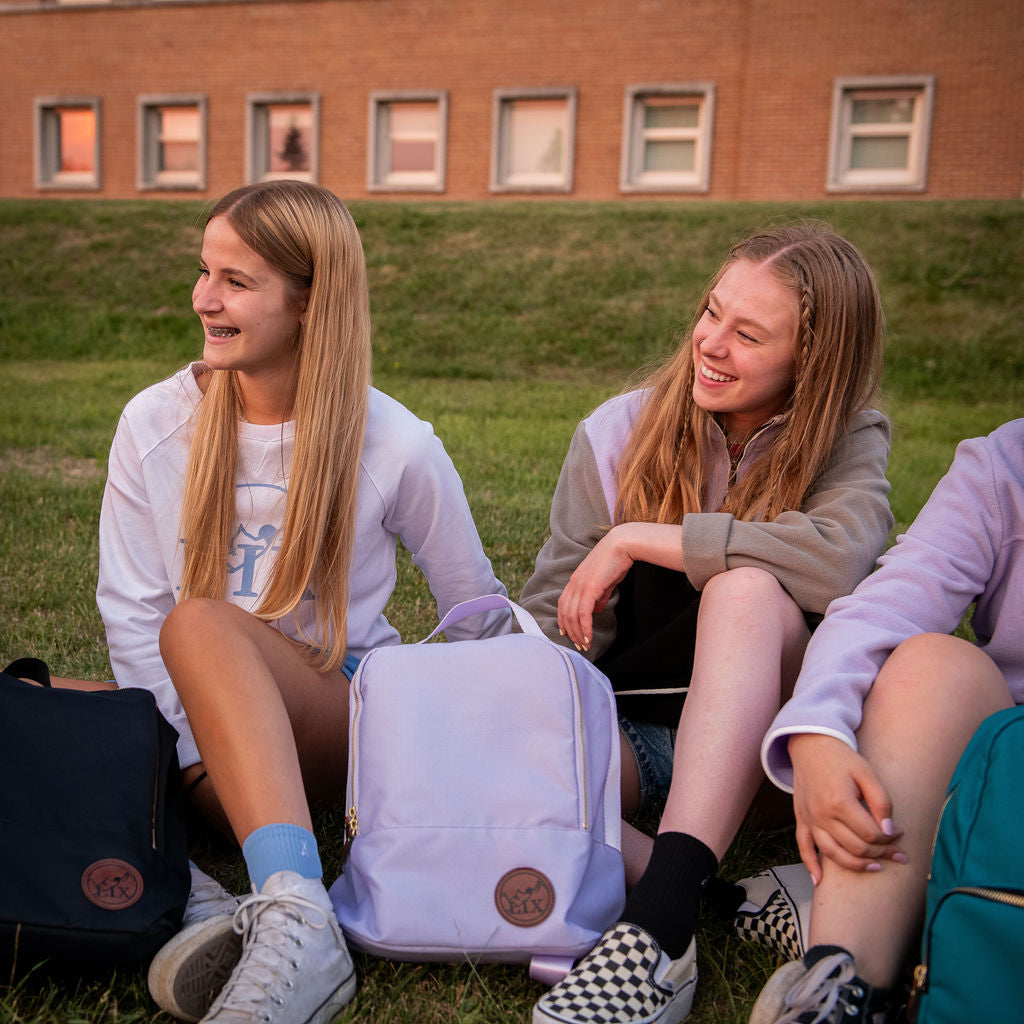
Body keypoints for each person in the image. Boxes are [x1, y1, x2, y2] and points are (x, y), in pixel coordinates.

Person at [94, 180, 511, 1024]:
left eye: (236, 281)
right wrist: (176, 756)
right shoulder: (154, 422)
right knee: (28, 707)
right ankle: (200, 901)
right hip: (201, 738)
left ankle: (297, 913)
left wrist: (498, 748)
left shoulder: (393, 442)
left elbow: (478, 612)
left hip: (341, 716)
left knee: (203, 624)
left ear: (311, 300)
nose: (204, 299)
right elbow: (128, 613)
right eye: (204, 271)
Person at [519, 223, 894, 1024]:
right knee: (501, 772)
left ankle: (657, 935)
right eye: (711, 312)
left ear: (813, 362)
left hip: (773, 754)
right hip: (639, 734)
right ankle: (716, 898)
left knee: (747, 592)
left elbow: (836, 561)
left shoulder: (847, 439)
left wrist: (642, 539)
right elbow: (562, 609)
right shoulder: (618, 431)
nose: (710, 344)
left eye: (748, 333)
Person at [748, 418, 1024, 1024]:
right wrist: (818, 731)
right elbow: (890, 601)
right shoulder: (1009, 461)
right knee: (931, 666)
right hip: (1011, 774)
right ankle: (843, 986)